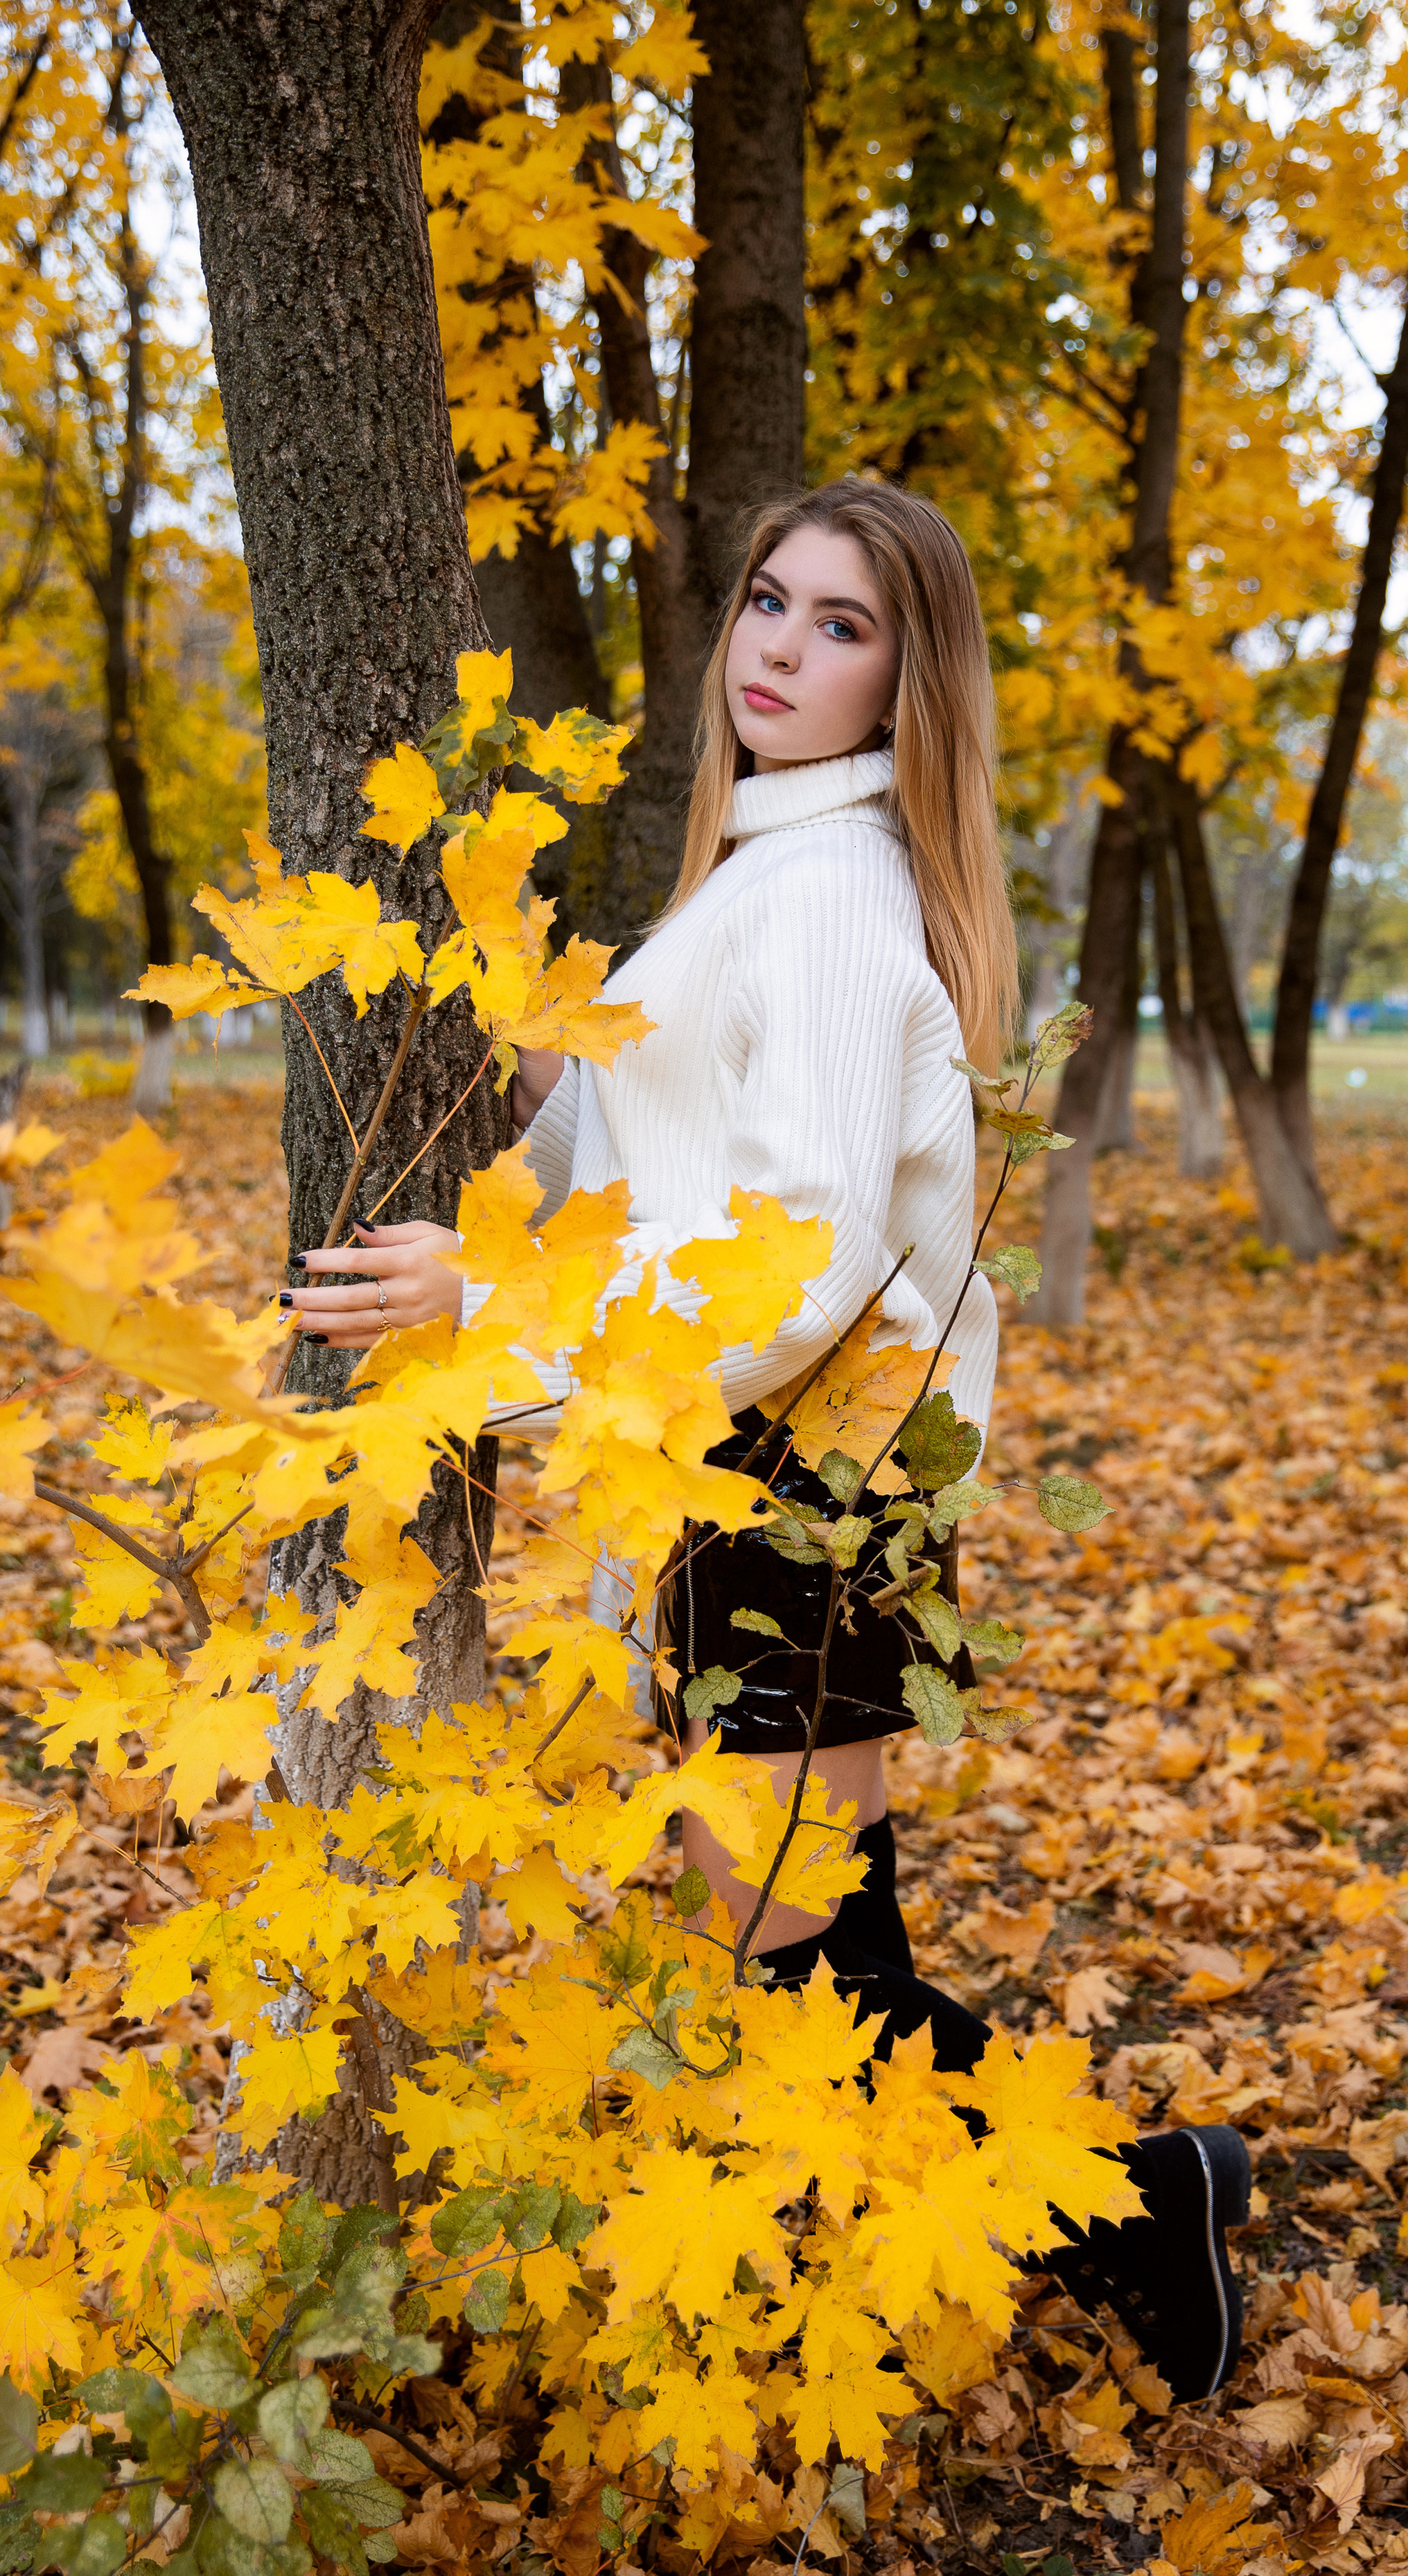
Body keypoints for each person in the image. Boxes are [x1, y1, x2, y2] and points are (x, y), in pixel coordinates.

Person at [276, 476, 1249, 2401]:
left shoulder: (825, 897)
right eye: (770, 607)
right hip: (783, 1488)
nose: (783, 653)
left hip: (807, 1486)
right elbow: (677, 1165)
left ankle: (1141, 2209)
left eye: (843, 625)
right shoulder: (765, 880)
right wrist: (555, 1071)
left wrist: (499, 1309)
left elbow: (790, 1273)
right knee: (821, 1955)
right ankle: (1147, 2204)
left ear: (910, 680)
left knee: (806, 1980)